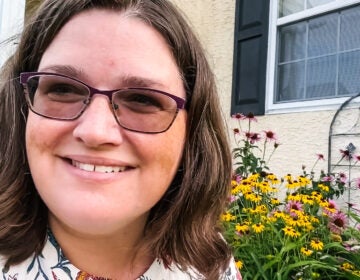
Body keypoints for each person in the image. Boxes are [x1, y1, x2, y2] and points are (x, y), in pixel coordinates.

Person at [0, 0, 242, 279]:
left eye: (142, 99)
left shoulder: (208, 264)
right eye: (62, 89)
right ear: (21, 110)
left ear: (191, 133)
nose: (95, 132)